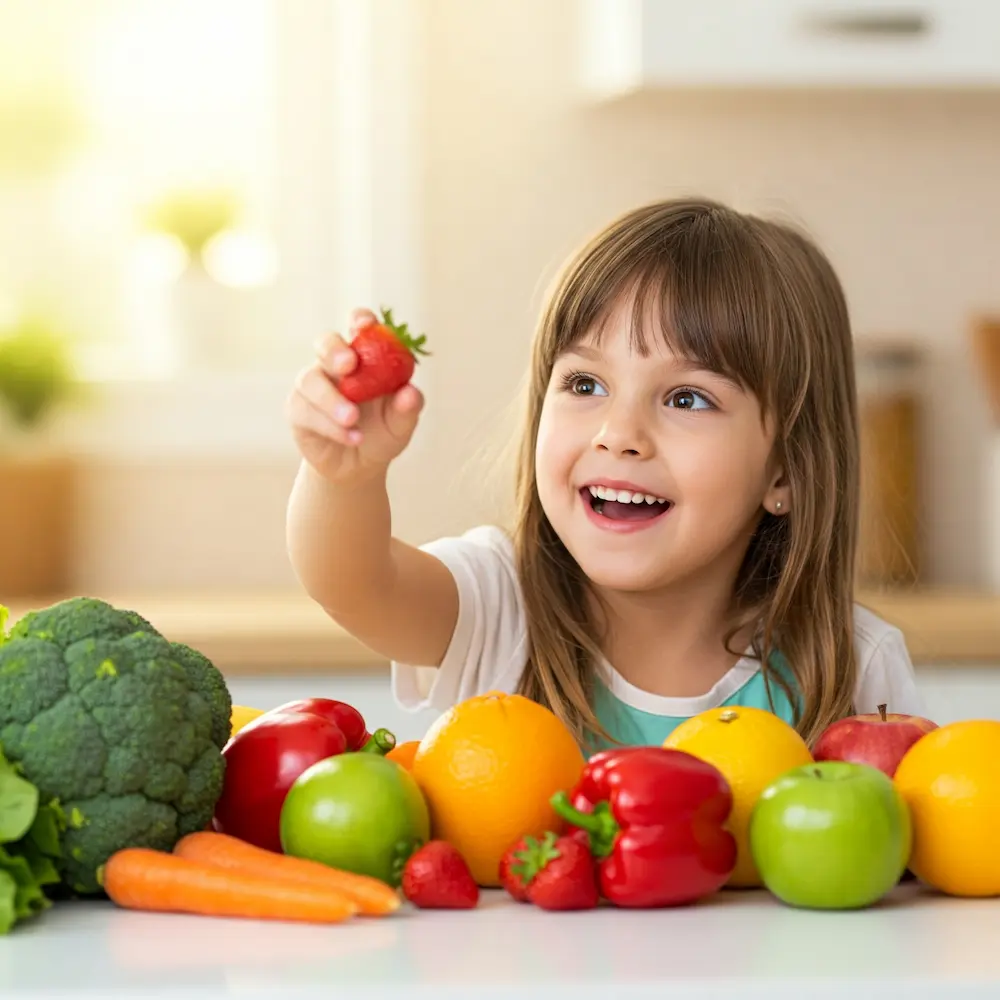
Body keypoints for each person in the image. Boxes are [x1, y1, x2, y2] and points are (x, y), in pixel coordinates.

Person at [285, 197, 924, 753]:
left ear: (785, 469)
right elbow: (352, 581)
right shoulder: (499, 609)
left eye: (687, 399)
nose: (618, 434)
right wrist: (344, 477)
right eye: (585, 383)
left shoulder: (855, 666)